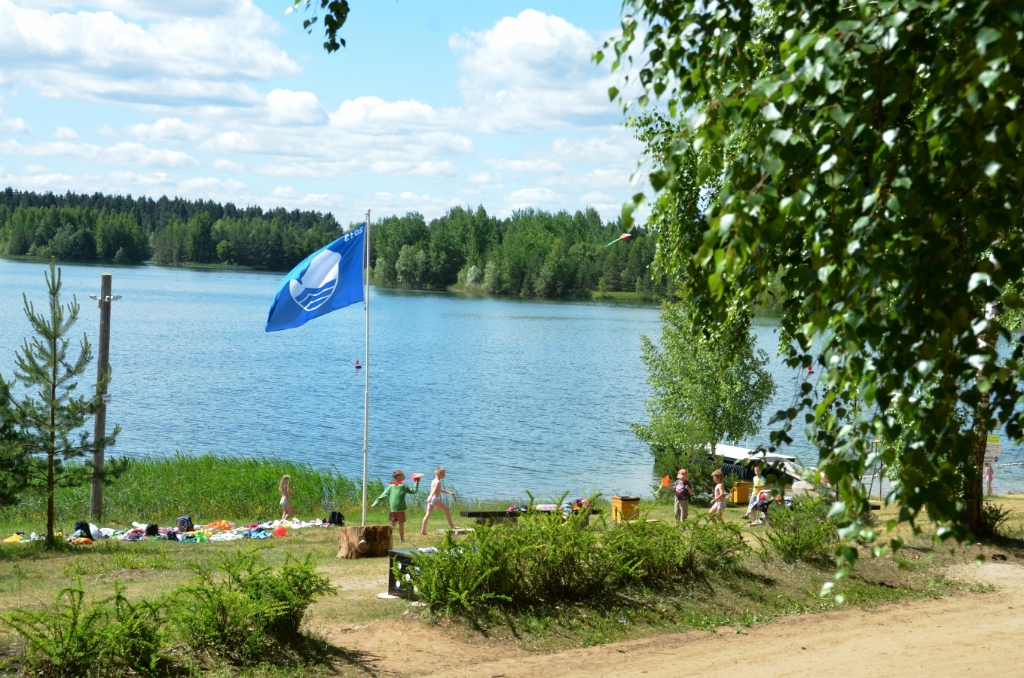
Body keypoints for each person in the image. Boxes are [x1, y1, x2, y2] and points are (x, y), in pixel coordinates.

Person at [372, 469, 420, 542]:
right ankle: (402, 539)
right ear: (398, 477)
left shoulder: (391, 486)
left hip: (393, 509)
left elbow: (383, 495)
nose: (404, 476)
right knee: (401, 524)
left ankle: (385, 537)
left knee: (393, 524)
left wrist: (375, 503)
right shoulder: (403, 486)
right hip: (400, 509)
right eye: (403, 475)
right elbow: (414, 491)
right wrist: (417, 482)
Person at [420, 467, 456, 535]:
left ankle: (423, 530)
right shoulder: (438, 482)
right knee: (447, 510)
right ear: (439, 474)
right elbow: (433, 491)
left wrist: (448, 492)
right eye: (444, 474)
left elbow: (439, 490)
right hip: (434, 499)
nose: (445, 475)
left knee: (427, 514)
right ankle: (451, 526)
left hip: (431, 499)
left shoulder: (434, 481)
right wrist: (430, 497)